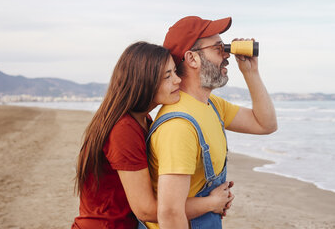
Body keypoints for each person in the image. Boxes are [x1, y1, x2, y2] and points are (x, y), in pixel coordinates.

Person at [72, 41, 234, 229]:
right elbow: (146, 210)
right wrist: (211, 204)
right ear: (143, 81)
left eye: (175, 72)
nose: (177, 80)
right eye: (167, 76)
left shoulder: (143, 119)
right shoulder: (124, 130)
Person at [144, 16, 277, 229]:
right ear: (192, 59)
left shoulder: (211, 105)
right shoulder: (179, 126)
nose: (227, 54)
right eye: (218, 47)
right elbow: (170, 213)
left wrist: (251, 72)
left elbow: (265, 124)